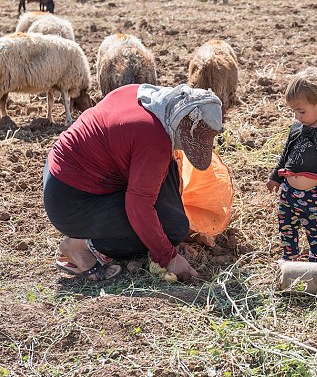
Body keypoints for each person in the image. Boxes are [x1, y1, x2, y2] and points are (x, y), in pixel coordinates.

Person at [43, 83, 223, 282]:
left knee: (175, 223)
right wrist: (168, 257)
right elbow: (139, 206)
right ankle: (83, 245)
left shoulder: (150, 99)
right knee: (172, 229)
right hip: (71, 199)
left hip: (62, 172)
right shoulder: (153, 138)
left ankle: (168, 235)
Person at [266, 67, 317, 263]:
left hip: (314, 194)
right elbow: (285, 155)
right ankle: (290, 259)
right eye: (294, 111)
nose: (297, 116)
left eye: (301, 111)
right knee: (286, 226)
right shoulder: (296, 128)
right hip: (288, 192)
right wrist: (275, 176)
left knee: (316, 229)